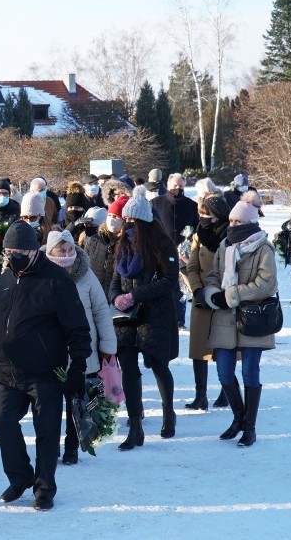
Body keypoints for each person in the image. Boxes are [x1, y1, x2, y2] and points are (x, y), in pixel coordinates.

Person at [0, 222, 91, 511]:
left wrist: (78, 368)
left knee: (46, 431)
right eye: (9, 251)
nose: (13, 257)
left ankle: (44, 488)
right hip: (6, 371)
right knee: (2, 420)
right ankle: (19, 476)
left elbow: (78, 329)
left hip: (44, 373)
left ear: (35, 252)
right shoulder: (7, 276)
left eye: (19, 251)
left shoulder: (57, 281)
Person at [203, 191, 276, 447]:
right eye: (231, 221)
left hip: (253, 319)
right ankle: (238, 418)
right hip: (225, 318)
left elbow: (266, 284)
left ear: (250, 223)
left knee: (249, 372)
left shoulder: (263, 247)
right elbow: (213, 276)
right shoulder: (225, 246)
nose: (233, 225)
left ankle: (250, 428)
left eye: (238, 222)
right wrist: (213, 294)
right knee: (224, 373)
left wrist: (231, 295)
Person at [110, 186, 179, 450]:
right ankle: (135, 424)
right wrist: (116, 297)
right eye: (125, 220)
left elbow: (169, 280)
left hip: (155, 315)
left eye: (131, 220)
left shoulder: (162, 243)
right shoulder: (124, 244)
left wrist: (136, 295)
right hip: (127, 317)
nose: (127, 225)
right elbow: (116, 278)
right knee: (128, 368)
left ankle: (168, 413)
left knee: (159, 365)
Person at [42, 230, 117, 465]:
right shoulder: (41, 273)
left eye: (70, 249)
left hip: (82, 347)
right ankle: (50, 445)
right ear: (50, 251)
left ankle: (72, 446)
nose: (66, 254)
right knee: (49, 402)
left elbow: (101, 310)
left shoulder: (85, 274)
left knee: (76, 400)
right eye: (61, 250)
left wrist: (107, 345)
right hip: (50, 349)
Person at [185, 194, 233, 410]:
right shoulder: (199, 234)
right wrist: (197, 290)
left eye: (207, 214)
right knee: (199, 349)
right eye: (200, 213)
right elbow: (192, 267)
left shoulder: (231, 237)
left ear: (218, 215)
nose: (202, 217)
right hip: (202, 300)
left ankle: (226, 391)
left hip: (224, 300)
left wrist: (222, 295)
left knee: (224, 348)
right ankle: (200, 395)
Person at [151, 172, 199, 330]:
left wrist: (190, 238)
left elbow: (196, 227)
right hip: (160, 252)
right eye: (175, 186)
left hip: (183, 252)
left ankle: (179, 321)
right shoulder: (156, 203)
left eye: (180, 186)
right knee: (161, 285)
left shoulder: (191, 205)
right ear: (168, 186)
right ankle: (161, 317)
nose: (178, 188)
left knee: (180, 289)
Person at [86, 195, 128, 297]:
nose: (111, 220)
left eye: (116, 217)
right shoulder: (94, 240)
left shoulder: (128, 244)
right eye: (109, 215)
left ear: (124, 220)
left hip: (117, 297)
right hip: (95, 294)